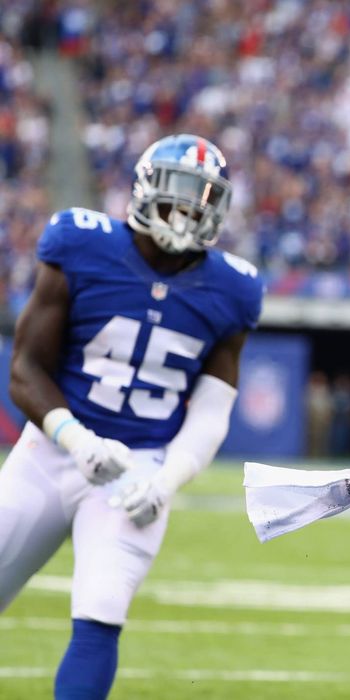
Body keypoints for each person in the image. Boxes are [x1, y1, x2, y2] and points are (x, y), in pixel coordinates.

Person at [0, 134, 263, 699]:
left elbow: (213, 410)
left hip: (137, 471)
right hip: (48, 454)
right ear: (145, 193)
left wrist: (166, 480)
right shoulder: (80, 243)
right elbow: (24, 369)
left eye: (203, 200)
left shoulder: (233, 288)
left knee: (101, 608)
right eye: (178, 197)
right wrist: (74, 438)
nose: (189, 212)